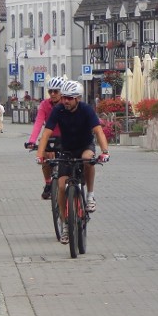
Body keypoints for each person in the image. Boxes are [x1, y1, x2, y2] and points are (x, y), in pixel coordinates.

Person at [36, 80, 110, 245]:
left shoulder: (86, 110)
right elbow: (46, 133)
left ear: (78, 98)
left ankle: (90, 196)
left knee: (87, 159)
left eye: (69, 98)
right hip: (67, 149)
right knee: (62, 186)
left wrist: (105, 152)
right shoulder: (58, 110)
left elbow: (98, 131)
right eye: (64, 98)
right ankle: (65, 225)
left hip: (85, 146)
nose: (65, 101)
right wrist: (40, 155)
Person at [25, 76, 66, 199]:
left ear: (61, 92)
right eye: (50, 91)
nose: (52, 94)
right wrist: (32, 140)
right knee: (45, 156)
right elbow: (38, 123)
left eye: (56, 91)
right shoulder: (44, 104)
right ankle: (48, 182)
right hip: (50, 135)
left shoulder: (66, 103)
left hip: (65, 135)